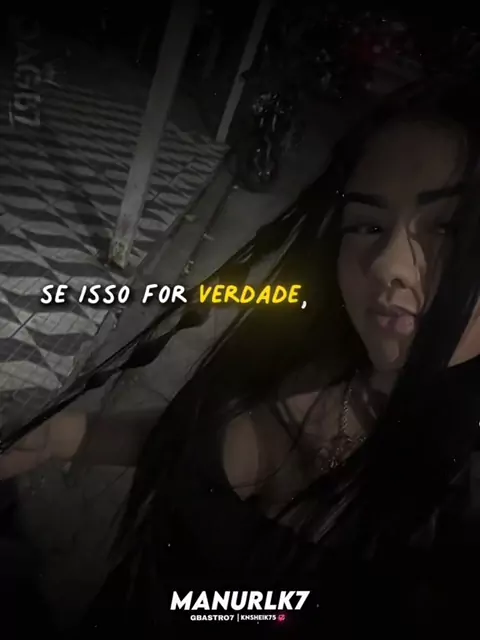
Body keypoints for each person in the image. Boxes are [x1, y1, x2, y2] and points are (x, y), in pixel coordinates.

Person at [4, 70, 480, 636]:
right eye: (367, 225)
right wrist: (64, 437)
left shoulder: (461, 500)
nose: (388, 266)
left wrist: (193, 607)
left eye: (449, 228)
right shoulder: (317, 342)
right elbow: (195, 440)